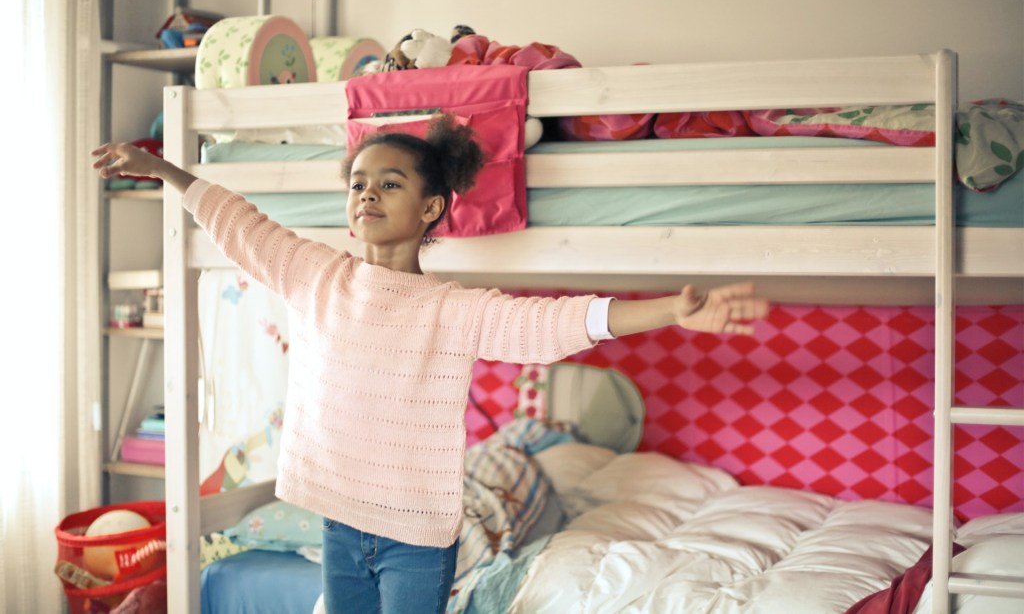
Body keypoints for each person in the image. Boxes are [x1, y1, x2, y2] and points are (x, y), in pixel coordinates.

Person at [92, 116, 769, 614]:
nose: (367, 194)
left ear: (432, 207)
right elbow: (238, 222)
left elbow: (554, 323)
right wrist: (163, 172)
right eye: (358, 183)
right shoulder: (315, 276)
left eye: (390, 183)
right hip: (338, 521)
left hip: (415, 536)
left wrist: (669, 310)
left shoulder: (449, 307)